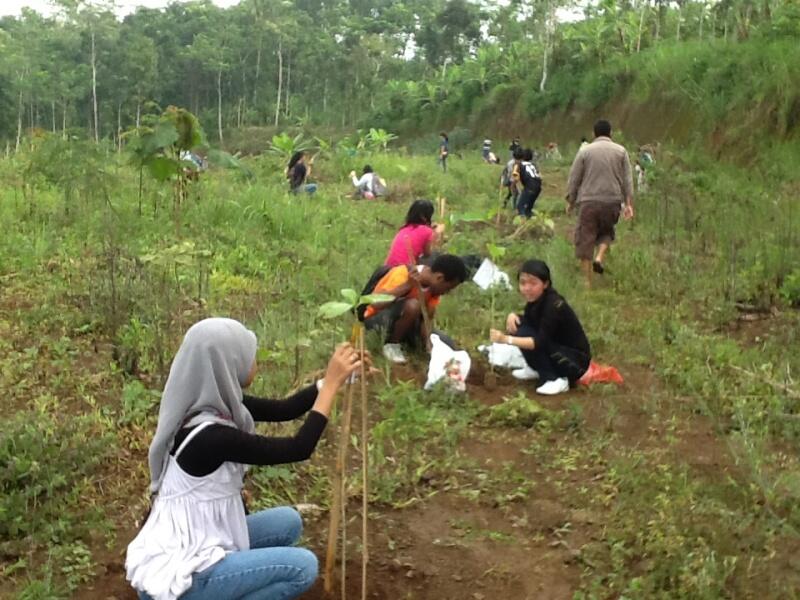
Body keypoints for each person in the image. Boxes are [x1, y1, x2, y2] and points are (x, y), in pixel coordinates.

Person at [126, 318, 364, 600]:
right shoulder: (210, 437)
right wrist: (330, 387)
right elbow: (298, 448)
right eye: (249, 356)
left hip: (198, 538)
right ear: (228, 363)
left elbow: (284, 409)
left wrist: (335, 379)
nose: (254, 363)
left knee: (289, 521)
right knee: (302, 567)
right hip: (182, 577)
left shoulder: (209, 403)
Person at [490, 260, 590, 396]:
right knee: (520, 326)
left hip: (574, 362)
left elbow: (540, 342)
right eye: (523, 283)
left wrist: (506, 339)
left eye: (533, 283)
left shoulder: (554, 305)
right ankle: (536, 368)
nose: (527, 288)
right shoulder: (536, 301)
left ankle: (556, 379)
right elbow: (530, 323)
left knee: (530, 338)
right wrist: (512, 315)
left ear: (545, 284)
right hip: (557, 349)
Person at [363, 254, 467, 364]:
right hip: (377, 321)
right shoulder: (402, 274)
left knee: (446, 343)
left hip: (406, 325)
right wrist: (407, 285)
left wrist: (429, 345)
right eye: (448, 288)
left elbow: (426, 320)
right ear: (439, 278)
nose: (447, 293)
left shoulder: (434, 290)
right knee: (413, 306)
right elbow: (375, 304)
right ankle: (392, 345)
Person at [566, 119, 634, 285]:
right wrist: (629, 204)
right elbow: (628, 180)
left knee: (585, 238)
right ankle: (599, 257)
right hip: (613, 201)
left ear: (593, 134)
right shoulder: (621, 151)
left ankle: (588, 283)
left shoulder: (585, 151)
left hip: (589, 201)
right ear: (611, 133)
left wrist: (571, 199)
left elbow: (574, 177)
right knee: (607, 232)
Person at [384, 199, 445, 268]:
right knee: (436, 256)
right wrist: (436, 234)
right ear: (424, 216)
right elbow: (427, 254)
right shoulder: (427, 231)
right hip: (404, 270)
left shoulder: (404, 229)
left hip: (387, 269)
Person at [516, 148, 542, 219]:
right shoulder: (533, 164)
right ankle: (532, 220)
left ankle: (522, 222)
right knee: (528, 208)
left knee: (520, 206)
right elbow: (540, 176)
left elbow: (517, 178)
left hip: (530, 187)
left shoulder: (520, 165)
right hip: (538, 187)